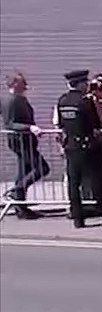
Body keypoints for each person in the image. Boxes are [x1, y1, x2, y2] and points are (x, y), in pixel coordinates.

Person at [54, 70, 102, 227]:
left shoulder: (62, 100)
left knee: (74, 183)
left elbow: (62, 124)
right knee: (99, 180)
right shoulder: (85, 101)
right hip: (88, 145)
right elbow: (95, 124)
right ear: (80, 83)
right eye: (85, 82)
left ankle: (78, 218)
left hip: (71, 146)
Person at [2, 73, 48, 218]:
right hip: (20, 140)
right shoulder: (11, 100)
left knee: (23, 171)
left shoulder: (17, 98)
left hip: (24, 140)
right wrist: (30, 128)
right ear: (15, 84)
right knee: (42, 168)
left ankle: (21, 207)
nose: (26, 84)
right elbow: (11, 123)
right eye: (23, 82)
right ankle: (16, 191)